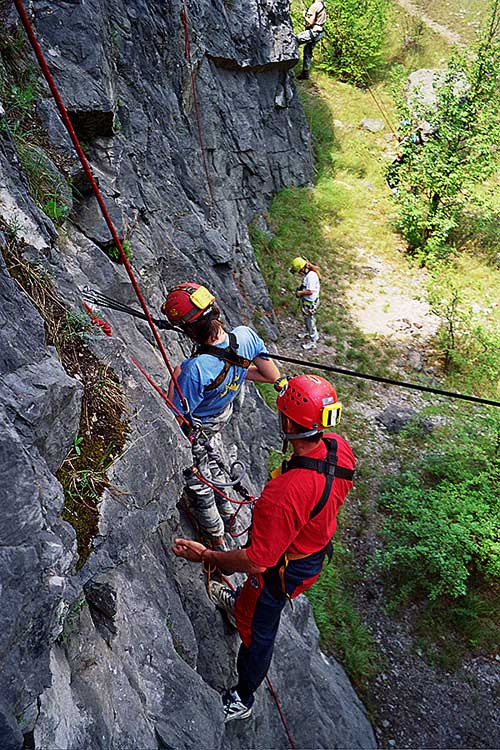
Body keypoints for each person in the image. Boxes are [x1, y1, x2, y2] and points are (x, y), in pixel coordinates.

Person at [172, 374, 355, 723]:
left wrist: (208, 555)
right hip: (310, 546)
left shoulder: (285, 495)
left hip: (284, 569)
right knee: (252, 600)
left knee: (259, 634)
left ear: (288, 421)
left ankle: (242, 698)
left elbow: (258, 561)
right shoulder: (338, 448)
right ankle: (239, 604)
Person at [162, 282, 280, 550]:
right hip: (221, 415)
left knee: (199, 482)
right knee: (213, 465)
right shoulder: (246, 337)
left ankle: (216, 539)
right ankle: (229, 518)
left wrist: (175, 382)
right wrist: (235, 370)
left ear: (189, 331)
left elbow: (178, 420)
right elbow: (270, 375)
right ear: (214, 309)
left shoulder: (194, 371)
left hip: (200, 424)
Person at [290, 256, 320, 350]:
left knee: (310, 321)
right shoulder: (307, 275)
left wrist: (300, 293)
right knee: (306, 319)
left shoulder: (311, 276)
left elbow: (310, 291)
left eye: (298, 272)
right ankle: (308, 331)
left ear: (302, 269)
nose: (299, 274)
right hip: (306, 301)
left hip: (310, 303)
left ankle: (313, 339)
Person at [295, 0, 327, 81]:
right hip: (320, 32)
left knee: (294, 41)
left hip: (314, 31)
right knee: (308, 51)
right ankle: (305, 73)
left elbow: (310, 22)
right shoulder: (323, 4)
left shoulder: (315, 6)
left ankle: (288, 66)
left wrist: (304, 16)